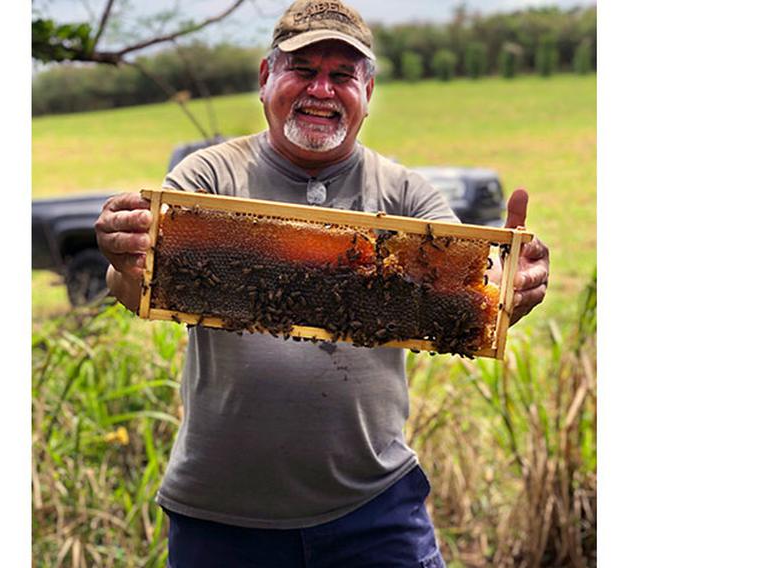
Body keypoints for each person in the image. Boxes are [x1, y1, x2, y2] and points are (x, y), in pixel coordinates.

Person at [95, 1, 550, 565]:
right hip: (221, 512)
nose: (322, 90)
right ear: (266, 79)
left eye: (342, 76)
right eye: (303, 70)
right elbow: (136, 284)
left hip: (375, 509)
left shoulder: (406, 193)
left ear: (368, 92)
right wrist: (125, 258)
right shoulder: (209, 178)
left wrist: (509, 291)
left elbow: (474, 295)